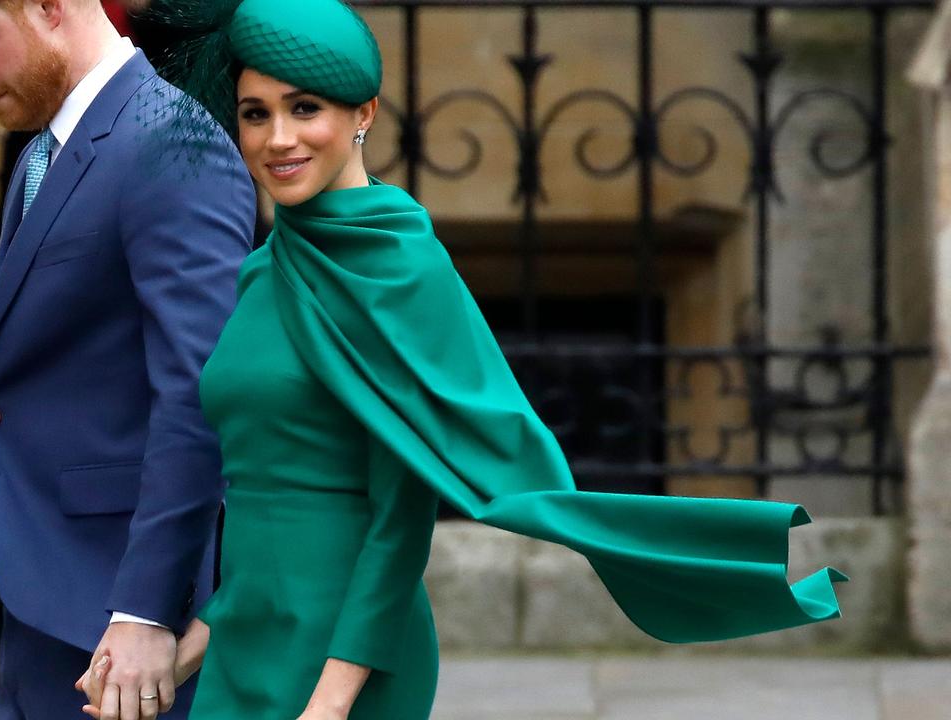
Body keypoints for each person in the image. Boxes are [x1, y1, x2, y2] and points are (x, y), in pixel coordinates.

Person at [84, 1, 849, 718]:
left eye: (305, 108)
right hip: (244, 650)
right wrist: (178, 658)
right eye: (256, 114)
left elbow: (399, 519)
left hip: (347, 664)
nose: (277, 138)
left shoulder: (401, 266)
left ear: (363, 115)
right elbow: (263, 512)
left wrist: (329, 702)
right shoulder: (262, 269)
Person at [0, 0, 254, 718]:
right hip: (43, 604)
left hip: (115, 623)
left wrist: (146, 612)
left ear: (47, 7)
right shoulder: (47, 149)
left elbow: (201, 395)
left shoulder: (170, 140)